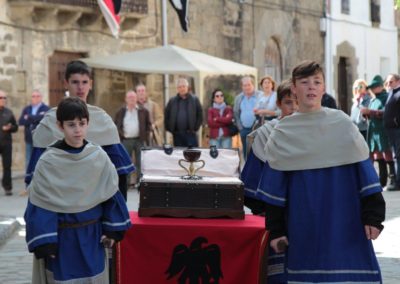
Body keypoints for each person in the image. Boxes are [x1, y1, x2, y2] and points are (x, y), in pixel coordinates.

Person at [256, 61, 385, 283]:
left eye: (317, 82)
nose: (311, 87)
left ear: (324, 88)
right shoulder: (283, 133)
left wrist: (374, 217)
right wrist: (276, 231)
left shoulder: (342, 124)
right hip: (303, 223)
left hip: (346, 221)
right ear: (294, 88)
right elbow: (276, 190)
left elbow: (365, 175)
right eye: (304, 82)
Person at [24, 97, 131, 283]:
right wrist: (46, 242)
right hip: (63, 242)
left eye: (82, 123)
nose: (77, 129)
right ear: (60, 126)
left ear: (88, 123)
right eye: (71, 124)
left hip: (93, 238)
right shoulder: (48, 162)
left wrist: (112, 231)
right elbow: (41, 204)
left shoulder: (99, 157)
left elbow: (111, 195)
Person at [26, 60, 134, 200]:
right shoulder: (50, 121)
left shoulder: (103, 120)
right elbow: (36, 176)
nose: (80, 88)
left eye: (84, 82)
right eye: (75, 82)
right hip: (59, 198)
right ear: (66, 83)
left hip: (94, 199)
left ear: (91, 84)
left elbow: (120, 173)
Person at [241, 78, 297, 215]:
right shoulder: (266, 132)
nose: (294, 108)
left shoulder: (312, 131)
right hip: (269, 209)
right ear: (279, 104)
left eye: (298, 102)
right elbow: (252, 180)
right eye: (288, 102)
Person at [361, 75, 394, 188]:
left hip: (383, 130)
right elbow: (370, 115)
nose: (373, 89)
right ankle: (382, 180)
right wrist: (365, 114)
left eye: (375, 87)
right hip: (373, 131)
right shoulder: (372, 99)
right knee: (377, 155)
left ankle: (393, 178)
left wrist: (370, 111)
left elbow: (386, 112)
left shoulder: (386, 97)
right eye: (372, 87)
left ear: (380, 87)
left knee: (387, 154)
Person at [114, 90, 151, 187]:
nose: (132, 99)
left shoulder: (143, 111)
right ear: (126, 99)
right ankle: (126, 182)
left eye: (134, 97)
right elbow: (116, 125)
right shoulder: (120, 111)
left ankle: (140, 182)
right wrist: (120, 135)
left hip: (140, 140)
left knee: (140, 162)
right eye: (130, 97)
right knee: (126, 161)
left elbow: (148, 125)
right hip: (126, 140)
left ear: (136, 99)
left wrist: (146, 135)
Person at [164, 78, 203, 147]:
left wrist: (195, 128)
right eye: (180, 87)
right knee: (179, 155)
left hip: (190, 134)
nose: (182, 88)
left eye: (184, 86)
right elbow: (166, 115)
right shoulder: (172, 101)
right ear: (177, 89)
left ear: (187, 87)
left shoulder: (194, 100)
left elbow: (200, 115)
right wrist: (170, 129)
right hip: (177, 135)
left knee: (192, 155)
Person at [18, 89, 50, 169]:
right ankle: (28, 179)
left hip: (40, 139)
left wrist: (28, 117)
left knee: (40, 159)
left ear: (41, 97)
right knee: (28, 159)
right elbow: (21, 121)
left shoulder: (46, 108)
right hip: (29, 138)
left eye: (37, 96)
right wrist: (36, 118)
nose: (35, 98)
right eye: (33, 96)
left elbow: (43, 119)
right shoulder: (27, 109)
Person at [233, 76, 262, 160]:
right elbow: (236, 113)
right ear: (242, 87)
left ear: (253, 85)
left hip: (257, 128)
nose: (247, 87)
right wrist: (240, 127)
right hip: (244, 129)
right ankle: (248, 171)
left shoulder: (260, 95)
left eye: (249, 85)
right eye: (244, 85)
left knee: (258, 152)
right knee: (246, 152)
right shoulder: (239, 98)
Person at [383, 73, 400, 191]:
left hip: (397, 129)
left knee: (398, 156)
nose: (388, 84)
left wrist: (396, 122)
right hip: (390, 129)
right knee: (395, 156)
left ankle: (398, 183)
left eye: (391, 82)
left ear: (398, 81)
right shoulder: (391, 93)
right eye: (387, 82)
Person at [0, 90, 18, 196]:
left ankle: (7, 187)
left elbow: (15, 127)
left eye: (4, 98)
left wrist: (10, 127)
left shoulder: (9, 112)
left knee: (7, 166)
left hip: (6, 143)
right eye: (1, 98)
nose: (3, 100)